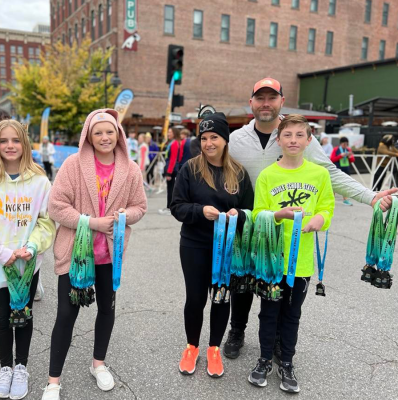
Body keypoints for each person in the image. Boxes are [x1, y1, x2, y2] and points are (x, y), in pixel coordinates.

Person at [224, 77, 396, 361]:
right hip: (248, 224)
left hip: (285, 232)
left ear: (281, 100)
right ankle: (237, 331)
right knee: (242, 283)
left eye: (272, 98)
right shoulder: (237, 140)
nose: (265, 103)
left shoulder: (298, 135)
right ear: (251, 102)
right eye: (260, 98)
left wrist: (369, 196)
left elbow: (329, 172)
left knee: (279, 290)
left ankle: (278, 342)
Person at [41, 109, 147, 400]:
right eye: (98, 132)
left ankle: (98, 364)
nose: (104, 137)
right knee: (65, 314)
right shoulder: (74, 165)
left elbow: (140, 206)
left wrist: (127, 214)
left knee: (107, 309)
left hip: (110, 256)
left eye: (109, 132)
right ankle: (53, 382)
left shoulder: (131, 168)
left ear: (118, 135)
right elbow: (56, 206)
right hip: (77, 254)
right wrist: (91, 222)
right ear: (88, 134)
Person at [248, 114, 334, 393]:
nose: (293, 140)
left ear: (309, 140)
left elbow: (327, 208)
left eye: (300, 135)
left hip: (302, 261)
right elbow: (259, 213)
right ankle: (263, 360)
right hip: (272, 259)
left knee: (292, 313)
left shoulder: (319, 174)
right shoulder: (268, 175)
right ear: (278, 139)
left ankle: (286, 361)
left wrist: (318, 221)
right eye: (288, 135)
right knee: (268, 312)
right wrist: (279, 214)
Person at [0, 120, 56, 399]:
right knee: (1, 318)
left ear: (25, 144)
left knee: (24, 315)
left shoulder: (40, 181)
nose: (10, 146)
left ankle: (22, 367)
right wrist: (2, 253)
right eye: (3, 140)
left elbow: (46, 222)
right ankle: (5, 367)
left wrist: (31, 247)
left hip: (28, 264)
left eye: (15, 140)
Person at [170, 112, 254, 378]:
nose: (208, 143)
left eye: (214, 137)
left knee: (221, 297)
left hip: (227, 247)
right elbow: (177, 206)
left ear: (225, 139)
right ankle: (192, 346)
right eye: (204, 138)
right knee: (195, 299)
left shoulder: (238, 172)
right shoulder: (190, 169)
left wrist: (237, 216)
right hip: (194, 244)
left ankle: (214, 348)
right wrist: (199, 211)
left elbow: (250, 209)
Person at [158, 126, 183, 215]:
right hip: (170, 167)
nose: (168, 134)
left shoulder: (175, 143)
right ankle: (169, 207)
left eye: (170, 132)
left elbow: (173, 159)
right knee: (170, 189)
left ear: (174, 133)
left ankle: (170, 208)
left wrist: (169, 172)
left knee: (171, 189)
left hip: (171, 169)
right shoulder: (173, 142)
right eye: (168, 132)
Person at [330, 137, 355, 206]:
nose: (345, 145)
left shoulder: (348, 149)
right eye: (344, 144)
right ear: (341, 144)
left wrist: (350, 157)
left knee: (346, 184)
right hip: (337, 169)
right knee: (334, 185)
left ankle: (346, 199)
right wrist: (340, 156)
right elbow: (332, 159)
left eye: (346, 144)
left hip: (346, 169)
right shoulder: (336, 149)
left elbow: (352, 160)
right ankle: (331, 200)